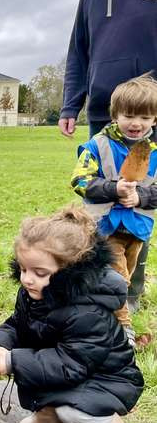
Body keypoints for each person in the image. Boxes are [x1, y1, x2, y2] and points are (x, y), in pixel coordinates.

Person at [0, 206, 148, 423]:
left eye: (38, 271)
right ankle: (51, 415)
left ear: (69, 272)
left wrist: (14, 362)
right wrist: (1, 345)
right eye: (23, 269)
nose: (26, 278)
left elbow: (70, 364)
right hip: (68, 368)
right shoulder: (36, 291)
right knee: (47, 385)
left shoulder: (87, 312)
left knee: (75, 410)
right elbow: (17, 324)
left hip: (106, 378)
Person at [60, 0, 157, 312]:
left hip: (150, 113)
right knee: (103, 197)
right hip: (104, 115)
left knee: (141, 198)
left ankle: (131, 288)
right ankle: (103, 278)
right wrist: (71, 104)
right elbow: (78, 51)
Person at [71, 74, 157, 342]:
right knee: (117, 276)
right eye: (129, 115)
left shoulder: (153, 150)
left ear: (154, 119)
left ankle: (98, 308)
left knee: (122, 279)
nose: (136, 123)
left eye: (145, 117)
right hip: (105, 226)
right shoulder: (98, 145)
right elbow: (79, 180)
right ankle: (123, 328)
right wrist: (113, 189)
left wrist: (140, 197)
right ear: (115, 114)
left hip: (138, 227)